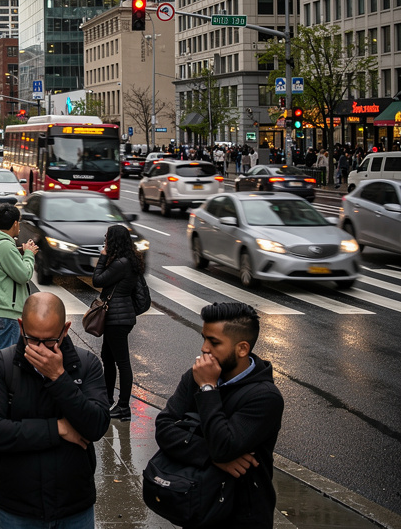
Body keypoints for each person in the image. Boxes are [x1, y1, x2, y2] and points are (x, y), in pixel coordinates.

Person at [0, 292, 109, 528]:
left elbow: (96, 426)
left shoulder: (87, 364)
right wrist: (57, 429)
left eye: (49, 341)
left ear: (65, 330)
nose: (40, 349)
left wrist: (59, 377)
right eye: (32, 339)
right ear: (21, 326)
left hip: (73, 505)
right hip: (17, 506)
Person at [154, 303, 284, 529]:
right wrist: (211, 456)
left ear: (242, 349)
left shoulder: (265, 397)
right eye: (204, 338)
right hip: (197, 506)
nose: (204, 348)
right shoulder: (194, 376)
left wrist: (207, 389)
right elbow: (164, 428)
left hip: (242, 516)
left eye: (214, 342)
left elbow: (224, 446)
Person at [91, 225, 144, 422]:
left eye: (107, 237)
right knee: (108, 356)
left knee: (122, 362)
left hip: (117, 318)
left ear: (113, 240)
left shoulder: (121, 263)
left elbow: (97, 280)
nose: (105, 239)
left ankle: (123, 407)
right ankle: (108, 399)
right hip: (119, 317)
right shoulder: (129, 259)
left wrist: (103, 256)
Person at [0, 204, 37, 351]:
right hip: (6, 311)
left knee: (2, 356)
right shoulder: (5, 246)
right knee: (8, 360)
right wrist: (30, 254)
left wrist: (21, 252)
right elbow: (23, 275)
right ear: (15, 223)